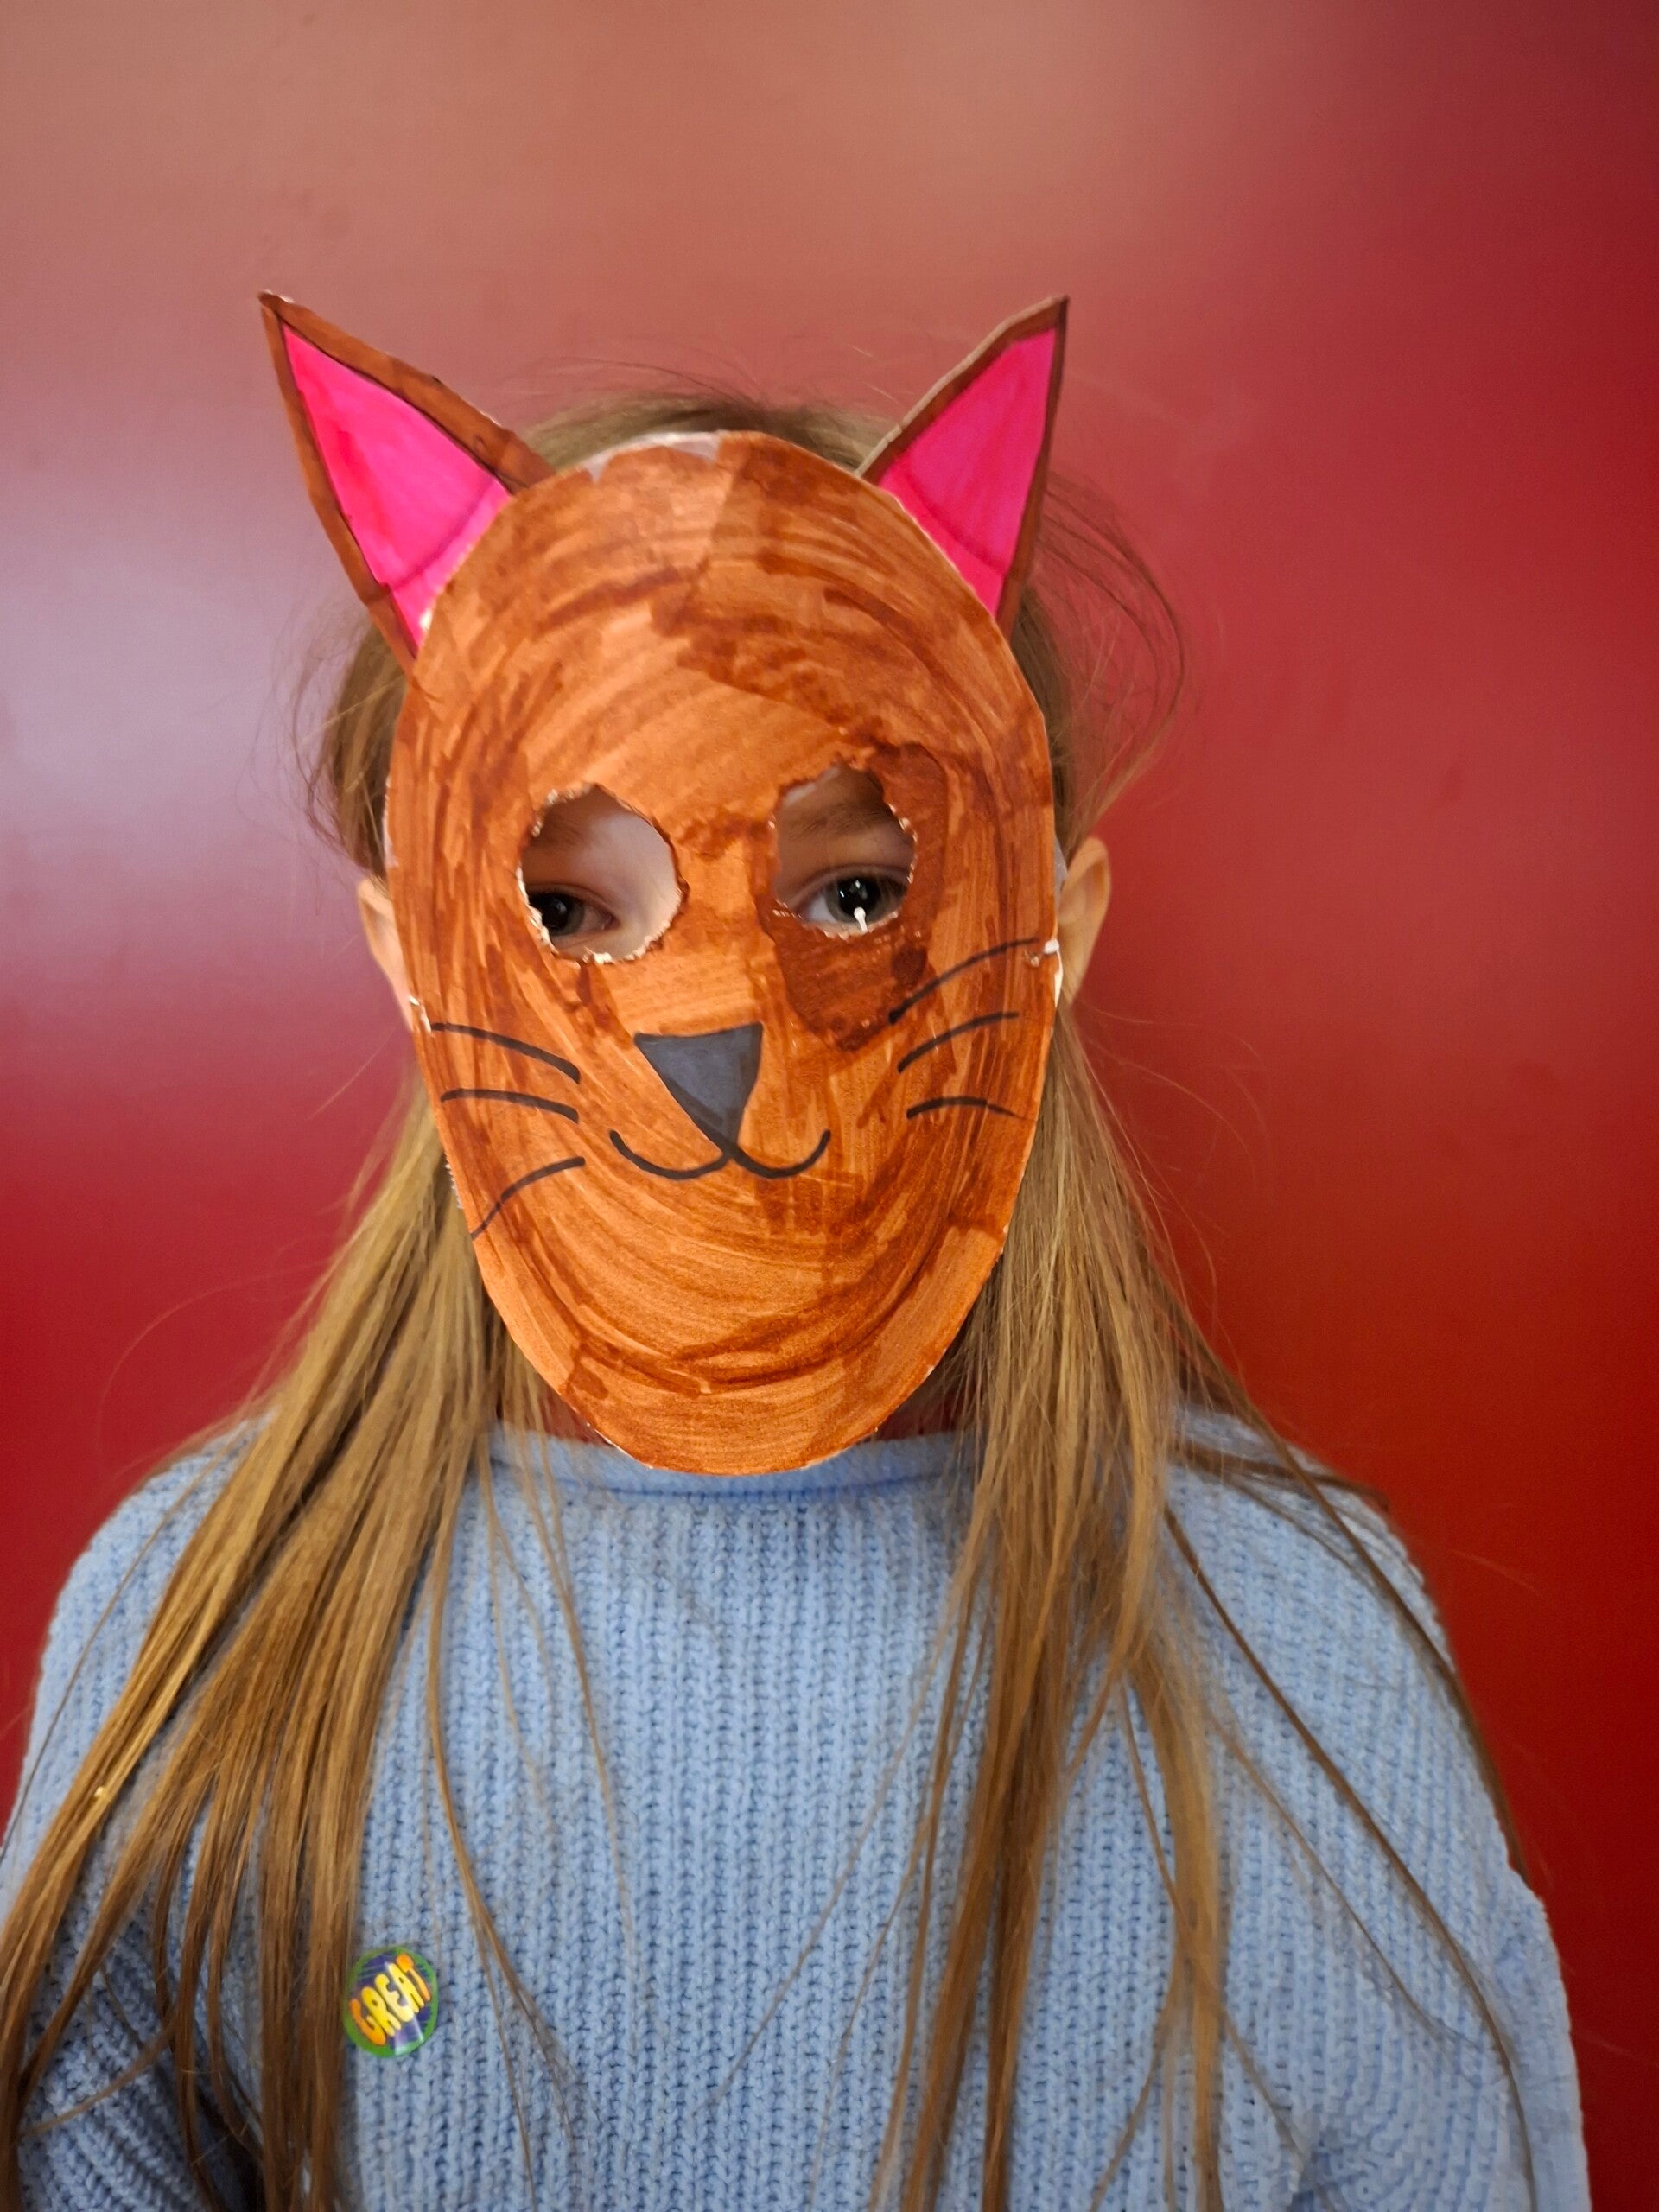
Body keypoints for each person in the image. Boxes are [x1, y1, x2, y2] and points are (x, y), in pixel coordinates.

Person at [0, 299, 1587, 2212]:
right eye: (569, 906)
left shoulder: (1295, 1655)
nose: (713, 1016)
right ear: (415, 957)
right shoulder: (212, 1636)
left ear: (1050, 934)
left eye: (853, 889)